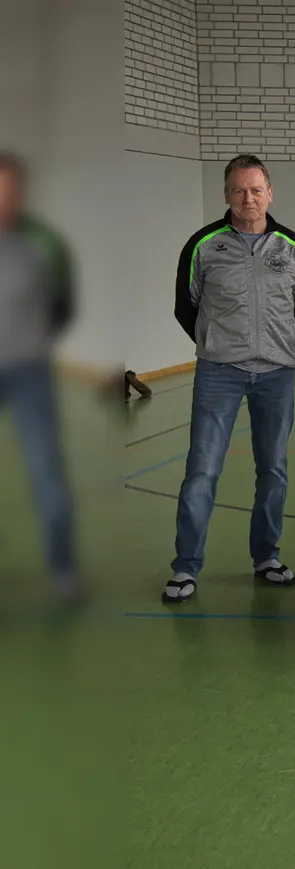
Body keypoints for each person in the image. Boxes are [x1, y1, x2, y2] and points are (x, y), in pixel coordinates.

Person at [164, 154, 295, 602]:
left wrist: (270, 344)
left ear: (270, 193)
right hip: (219, 373)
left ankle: (266, 556)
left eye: (255, 189)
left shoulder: (292, 247)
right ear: (226, 194)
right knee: (202, 471)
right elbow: (185, 306)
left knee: (273, 470)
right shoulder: (204, 244)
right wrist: (218, 344)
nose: (247, 198)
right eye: (238, 190)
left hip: (277, 375)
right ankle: (186, 567)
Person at [0, 151, 78, 596]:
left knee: (45, 468)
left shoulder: (43, 241)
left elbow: (63, 301)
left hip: (28, 369)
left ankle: (62, 567)